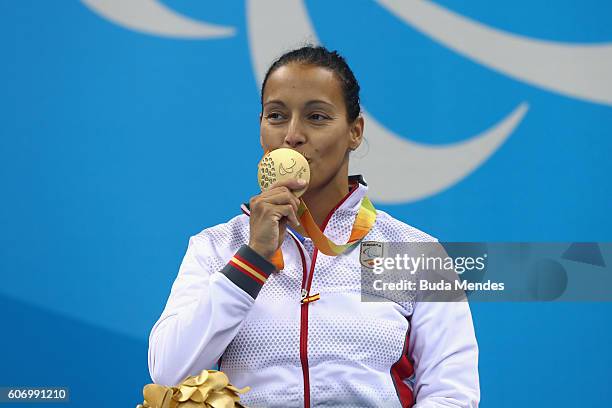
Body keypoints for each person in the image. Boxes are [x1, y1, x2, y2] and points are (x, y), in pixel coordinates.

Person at [148, 45, 479, 407]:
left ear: (355, 132)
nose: (292, 135)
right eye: (276, 116)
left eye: (317, 117)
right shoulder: (215, 247)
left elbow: (451, 395)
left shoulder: (413, 252)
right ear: (261, 131)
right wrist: (253, 259)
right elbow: (168, 371)